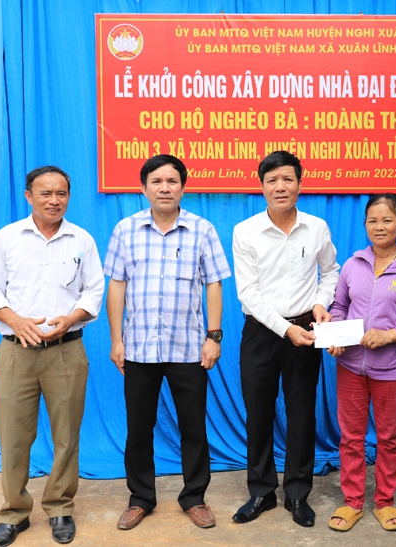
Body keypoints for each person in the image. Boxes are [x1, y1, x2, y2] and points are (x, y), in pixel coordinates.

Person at [0, 166, 104, 546]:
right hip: (16, 353)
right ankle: (14, 514)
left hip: (66, 352)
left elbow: (94, 290)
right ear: (29, 196)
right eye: (45, 193)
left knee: (66, 435)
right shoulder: (7, 238)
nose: (54, 200)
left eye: (61, 193)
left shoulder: (81, 240)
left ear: (69, 197)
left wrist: (73, 318)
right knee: (14, 436)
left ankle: (60, 507)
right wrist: (15, 320)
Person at [104, 155, 231, 531]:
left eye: (172, 181)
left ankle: (194, 497)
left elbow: (213, 284)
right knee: (138, 428)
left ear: (183, 187)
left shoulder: (202, 230)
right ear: (143, 188)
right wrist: (116, 340)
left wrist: (213, 336)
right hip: (139, 347)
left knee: (193, 427)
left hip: (188, 348)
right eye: (156, 181)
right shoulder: (125, 229)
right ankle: (140, 498)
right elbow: (116, 286)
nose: (164, 188)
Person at [231, 150, 340, 527]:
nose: (280, 187)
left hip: (306, 330)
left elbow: (331, 271)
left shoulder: (316, 227)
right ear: (261, 186)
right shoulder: (245, 231)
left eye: (287, 179)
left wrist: (321, 303)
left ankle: (297, 493)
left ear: (299, 183)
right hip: (261, 332)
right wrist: (285, 328)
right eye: (272, 180)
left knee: (301, 414)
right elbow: (248, 293)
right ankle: (261, 491)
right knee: (258, 413)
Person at [326, 194, 396, 532]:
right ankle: (352, 501)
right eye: (372, 220)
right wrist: (336, 334)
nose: (379, 227)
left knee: (389, 438)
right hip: (350, 367)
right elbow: (339, 307)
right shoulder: (353, 265)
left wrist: (391, 335)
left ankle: (385, 501)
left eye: (387, 220)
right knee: (351, 437)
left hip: (392, 371)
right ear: (365, 225)